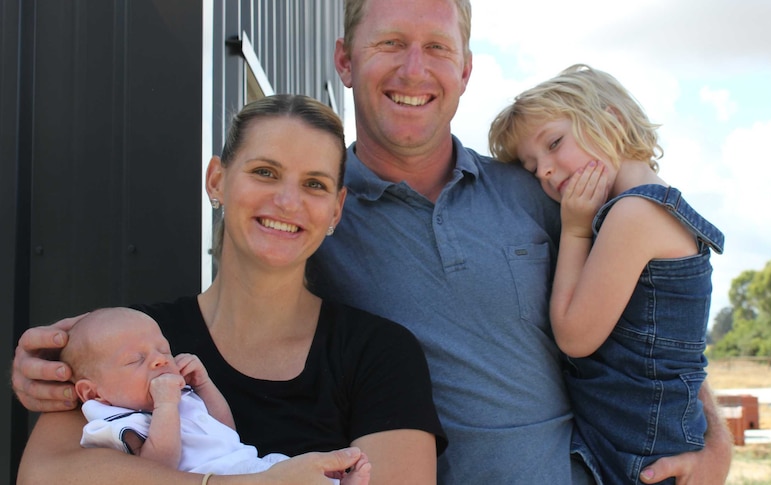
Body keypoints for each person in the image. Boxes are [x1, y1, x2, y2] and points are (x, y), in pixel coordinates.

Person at [13, 1, 731, 484]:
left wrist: (713, 430)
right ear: (345, 62)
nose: (414, 70)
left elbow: (646, 307)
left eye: (436, 49)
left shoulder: (533, 192)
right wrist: (55, 363)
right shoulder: (314, 204)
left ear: (465, 71)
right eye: (389, 44)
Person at [14, 94, 446, 485]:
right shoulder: (135, 338)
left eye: (314, 184)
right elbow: (45, 475)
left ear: (336, 208)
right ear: (217, 180)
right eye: (265, 172)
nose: (288, 202)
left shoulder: (380, 354)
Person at [488, 63, 725, 484]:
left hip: (644, 453)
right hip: (633, 438)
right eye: (530, 166)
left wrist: (577, 230)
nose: (543, 169)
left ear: (611, 119)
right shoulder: (651, 207)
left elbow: (575, 337)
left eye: (555, 142)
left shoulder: (633, 214)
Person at [60, 307, 370, 484]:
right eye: (135, 360)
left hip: (246, 464)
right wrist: (167, 405)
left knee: (291, 470)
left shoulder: (177, 396)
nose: (159, 360)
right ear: (93, 392)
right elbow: (156, 466)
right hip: (209, 477)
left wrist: (204, 385)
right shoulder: (115, 421)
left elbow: (226, 432)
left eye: (163, 350)